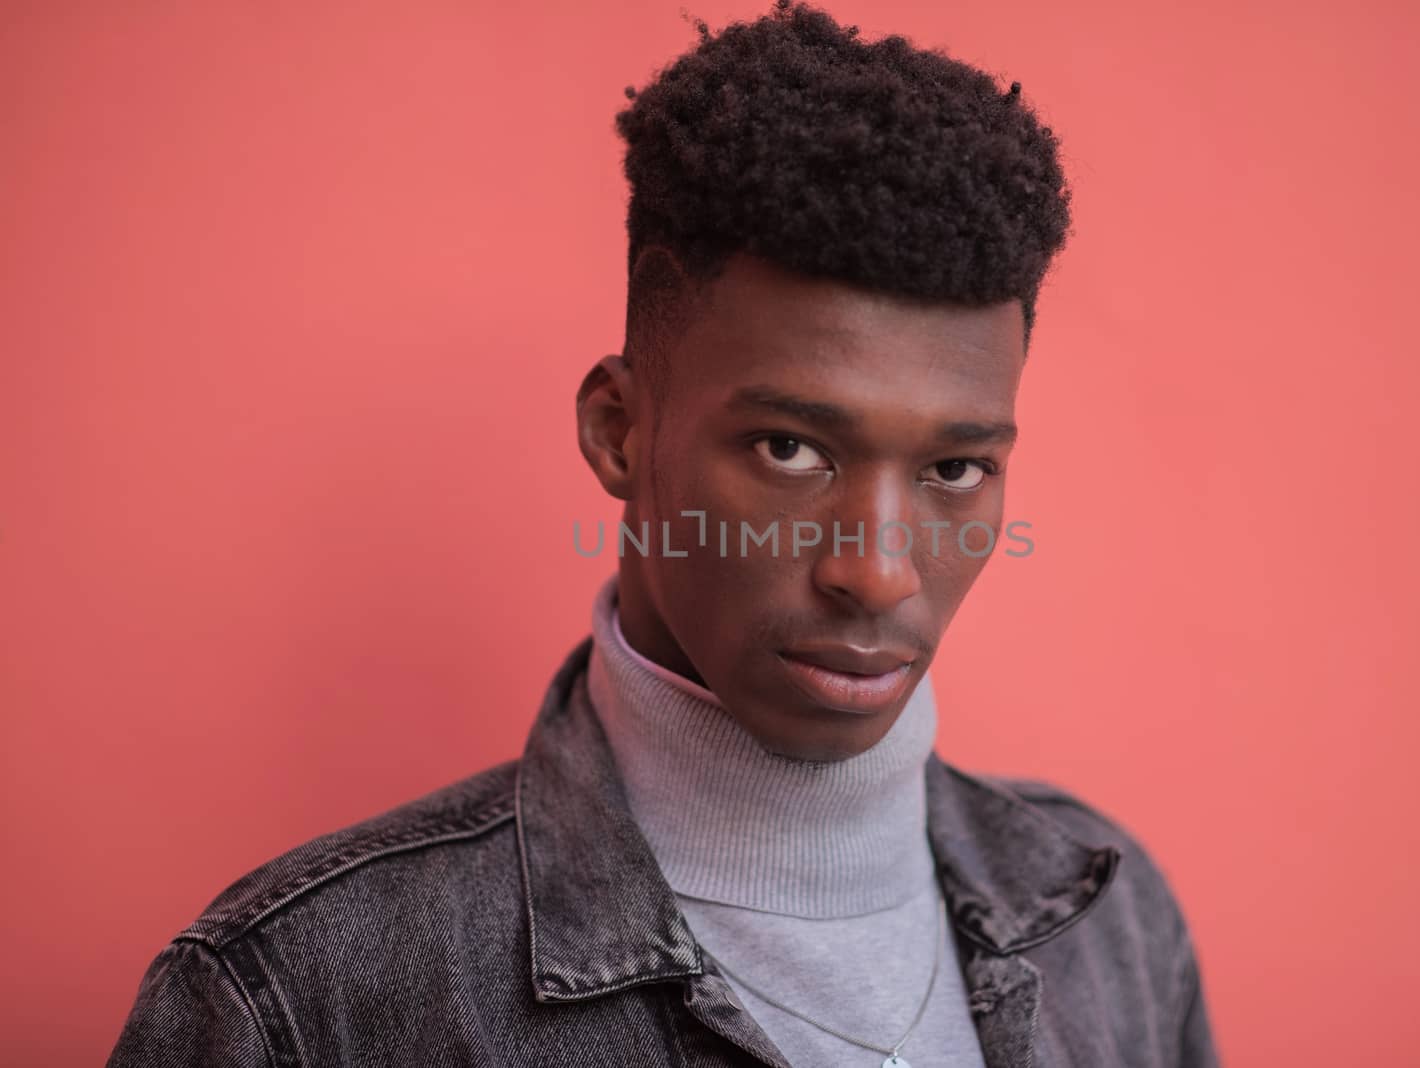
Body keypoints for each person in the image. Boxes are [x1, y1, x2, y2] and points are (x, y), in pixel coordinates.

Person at [109, 2, 1220, 1065]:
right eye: (792, 449)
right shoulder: (302, 1002)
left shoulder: (1109, 925)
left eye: (953, 468)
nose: (877, 573)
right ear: (618, 431)